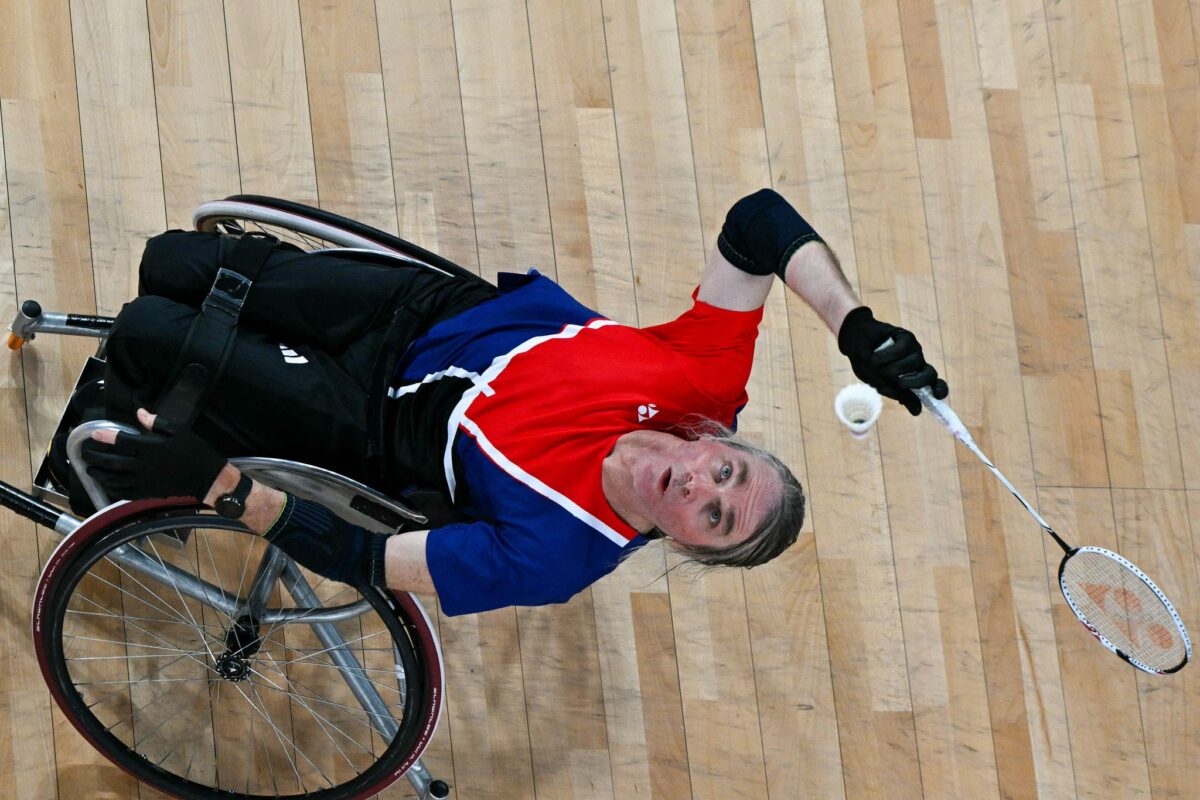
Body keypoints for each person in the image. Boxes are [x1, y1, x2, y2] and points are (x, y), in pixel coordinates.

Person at [77, 189, 948, 616]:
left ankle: (130, 429)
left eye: (716, 519)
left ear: (690, 549)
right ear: (723, 439)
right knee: (174, 263)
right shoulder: (703, 384)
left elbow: (367, 561)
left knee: (152, 333)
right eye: (726, 473)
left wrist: (217, 483)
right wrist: (855, 326)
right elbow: (757, 222)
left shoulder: (557, 556)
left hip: (371, 423)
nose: (700, 489)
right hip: (417, 312)